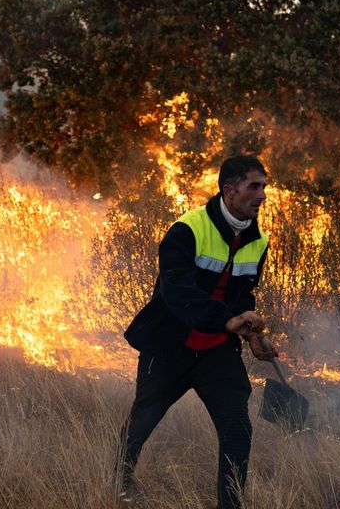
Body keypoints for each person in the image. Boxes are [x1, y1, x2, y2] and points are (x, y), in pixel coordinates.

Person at [117, 154, 279, 508]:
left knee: (237, 429)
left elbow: (241, 294)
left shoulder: (259, 240)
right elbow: (176, 292)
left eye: (264, 187)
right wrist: (226, 320)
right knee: (140, 424)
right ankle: (119, 486)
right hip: (170, 346)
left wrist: (251, 334)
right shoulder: (186, 230)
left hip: (217, 352)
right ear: (230, 189)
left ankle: (230, 504)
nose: (262, 195)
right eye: (254, 186)